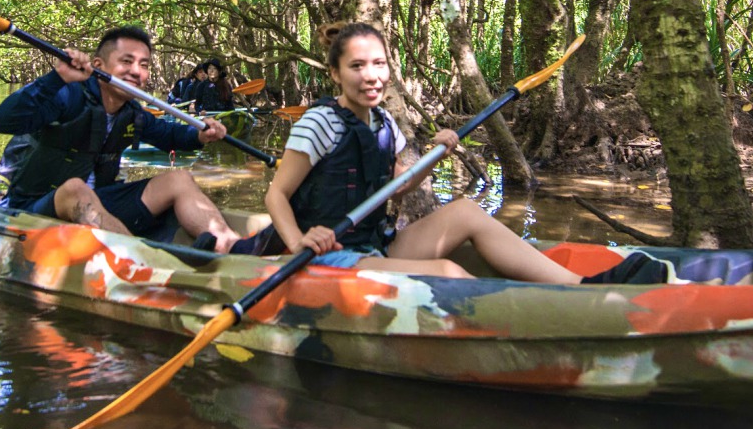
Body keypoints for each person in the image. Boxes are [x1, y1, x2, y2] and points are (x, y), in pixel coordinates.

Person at [264, 22, 667, 283]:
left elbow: (398, 186)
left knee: (467, 211)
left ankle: (579, 287)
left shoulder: (383, 124)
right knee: (447, 273)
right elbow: (276, 195)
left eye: (379, 63)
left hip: (373, 243)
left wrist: (435, 156)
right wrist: (299, 241)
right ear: (335, 73)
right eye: (356, 66)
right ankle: (525, 317)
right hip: (323, 258)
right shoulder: (319, 123)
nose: (370, 75)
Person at [0, 25, 242, 253]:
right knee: (76, 188)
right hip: (32, 209)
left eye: (144, 65)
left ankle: (232, 247)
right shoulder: (67, 96)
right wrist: (56, 78)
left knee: (179, 178)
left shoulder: (131, 112)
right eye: (126, 61)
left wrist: (200, 133)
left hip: (97, 203)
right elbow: (2, 121)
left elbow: (170, 135)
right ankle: (147, 260)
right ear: (98, 66)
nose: (136, 71)